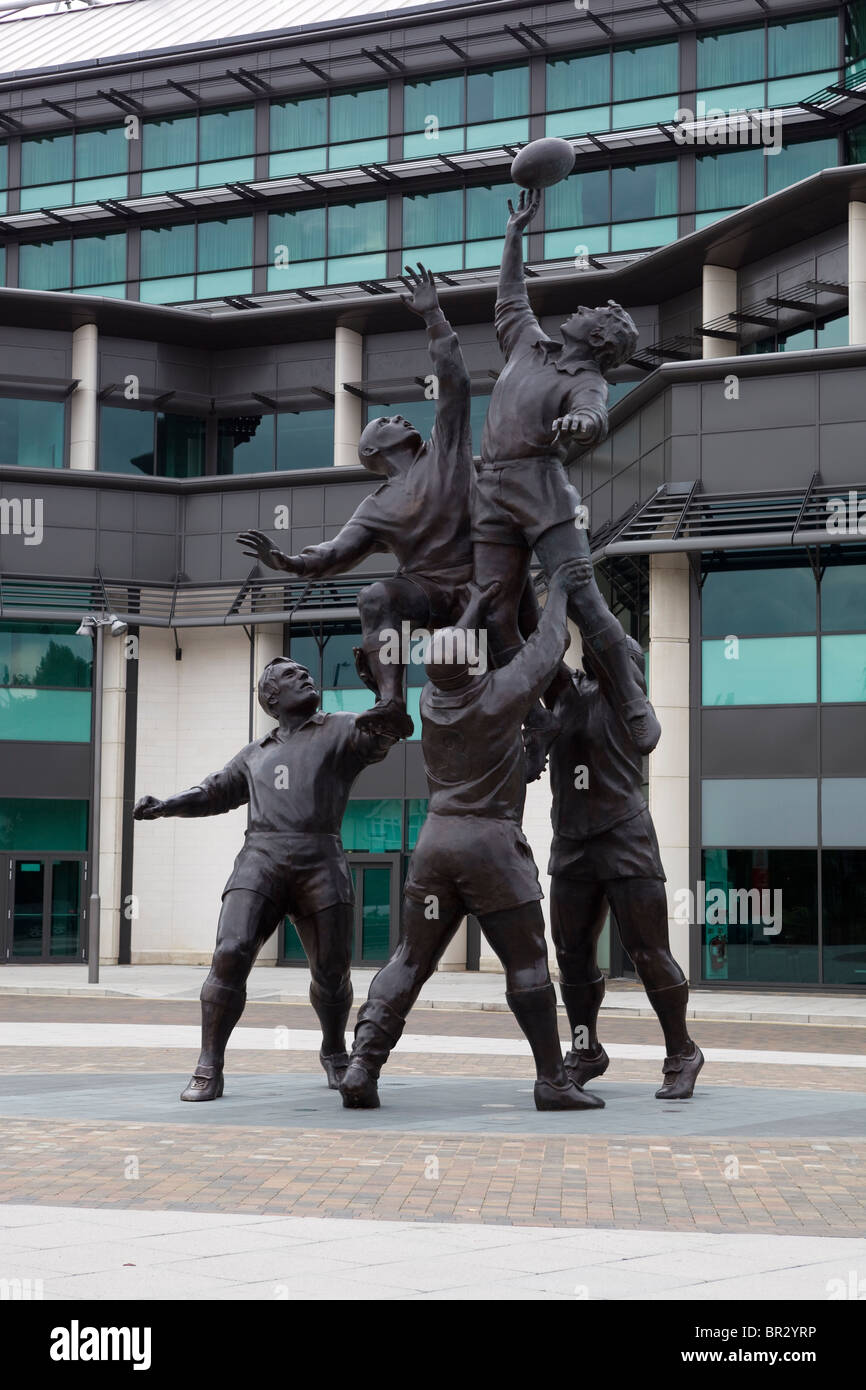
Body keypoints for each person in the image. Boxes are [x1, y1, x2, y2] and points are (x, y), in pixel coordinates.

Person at [340, 561, 606, 1113]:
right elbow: (548, 645)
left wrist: (476, 605)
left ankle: (362, 1065)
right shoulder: (502, 694)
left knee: (409, 959)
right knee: (527, 964)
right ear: (476, 662)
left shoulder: (430, 703)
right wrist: (556, 588)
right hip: (491, 845)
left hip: (436, 844)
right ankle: (552, 1080)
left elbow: (451, 658)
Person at [133, 657, 403, 1101]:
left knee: (332, 970)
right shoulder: (255, 754)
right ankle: (209, 1065)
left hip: (320, 857)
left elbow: (384, 732)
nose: (307, 676)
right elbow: (213, 791)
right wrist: (167, 804)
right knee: (231, 951)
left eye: (307, 673)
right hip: (261, 858)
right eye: (294, 676)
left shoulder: (339, 727)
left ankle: (335, 1050)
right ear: (272, 698)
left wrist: (386, 691)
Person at [237, 264, 476, 739]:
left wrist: (434, 318)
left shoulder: (444, 451)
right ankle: (391, 702)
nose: (400, 417)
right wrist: (285, 561)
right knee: (374, 595)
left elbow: (454, 385)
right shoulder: (376, 506)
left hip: (481, 582)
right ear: (372, 452)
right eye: (386, 420)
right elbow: (334, 554)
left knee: (505, 656)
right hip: (427, 593)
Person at [471, 188, 660, 777]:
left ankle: (629, 696)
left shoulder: (589, 380)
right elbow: (509, 298)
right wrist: (513, 235)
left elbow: (593, 417)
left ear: (600, 339)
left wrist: (581, 422)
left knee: (579, 595)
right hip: (491, 490)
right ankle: (545, 707)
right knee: (495, 613)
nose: (580, 310)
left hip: (542, 487)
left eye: (593, 314)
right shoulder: (529, 344)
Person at [547, 560, 704, 1100]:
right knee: (570, 954)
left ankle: (682, 1051)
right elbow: (528, 643)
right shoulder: (565, 692)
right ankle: (586, 1049)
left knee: (647, 950)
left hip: (624, 835)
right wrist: (547, 590)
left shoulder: (627, 698)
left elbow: (609, 648)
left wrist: (580, 597)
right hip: (571, 839)